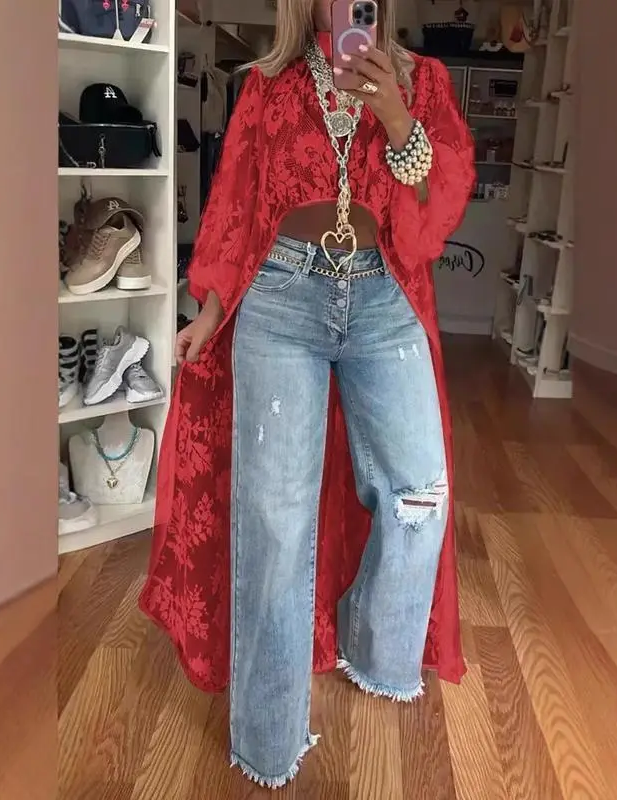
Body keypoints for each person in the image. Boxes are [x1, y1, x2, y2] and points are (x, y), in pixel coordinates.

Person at [140, 0, 475, 788]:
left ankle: (373, 642)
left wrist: (398, 119)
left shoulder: (423, 81)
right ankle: (268, 736)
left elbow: (436, 214)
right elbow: (234, 203)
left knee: (420, 494)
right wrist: (209, 308)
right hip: (281, 296)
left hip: (384, 295)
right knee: (275, 523)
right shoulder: (268, 84)